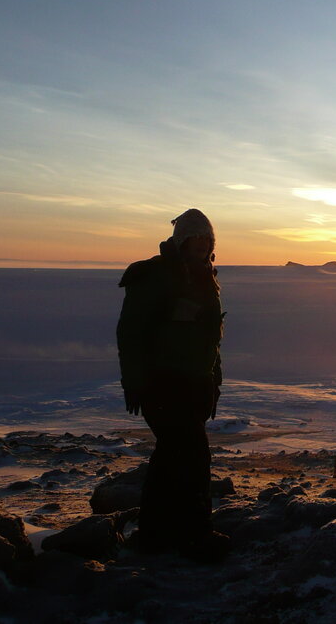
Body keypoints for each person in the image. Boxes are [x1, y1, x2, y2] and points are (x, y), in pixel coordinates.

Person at [116, 208, 228, 559]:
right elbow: (130, 333)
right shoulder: (155, 275)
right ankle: (195, 535)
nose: (201, 246)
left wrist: (214, 383)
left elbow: (210, 340)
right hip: (162, 382)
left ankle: (156, 534)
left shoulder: (205, 277)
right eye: (194, 240)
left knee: (172, 459)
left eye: (206, 241)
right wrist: (134, 383)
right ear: (180, 242)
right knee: (193, 458)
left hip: (194, 383)